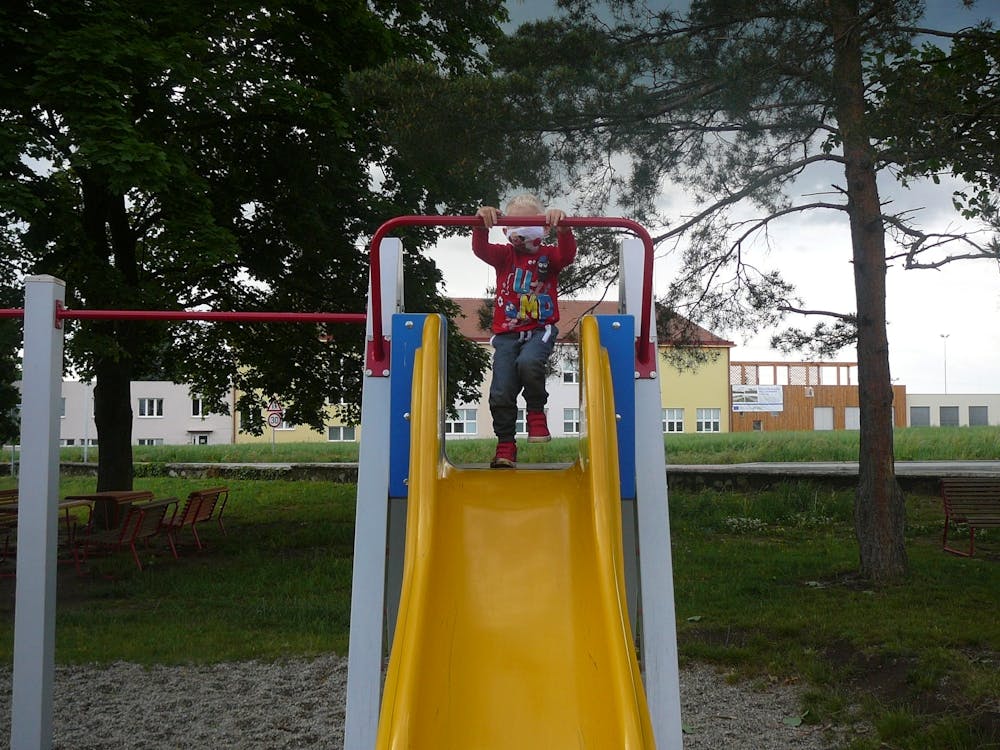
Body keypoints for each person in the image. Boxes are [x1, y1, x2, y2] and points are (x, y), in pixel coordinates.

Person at [473, 193, 578, 468]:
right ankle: (506, 444)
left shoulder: (548, 256)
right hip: (506, 335)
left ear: (544, 229)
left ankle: (535, 414)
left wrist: (563, 228)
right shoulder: (504, 256)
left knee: (530, 363)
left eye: (531, 227)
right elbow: (480, 250)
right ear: (506, 231)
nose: (523, 236)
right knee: (500, 391)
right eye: (517, 229)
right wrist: (481, 223)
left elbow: (567, 254)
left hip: (538, 329)